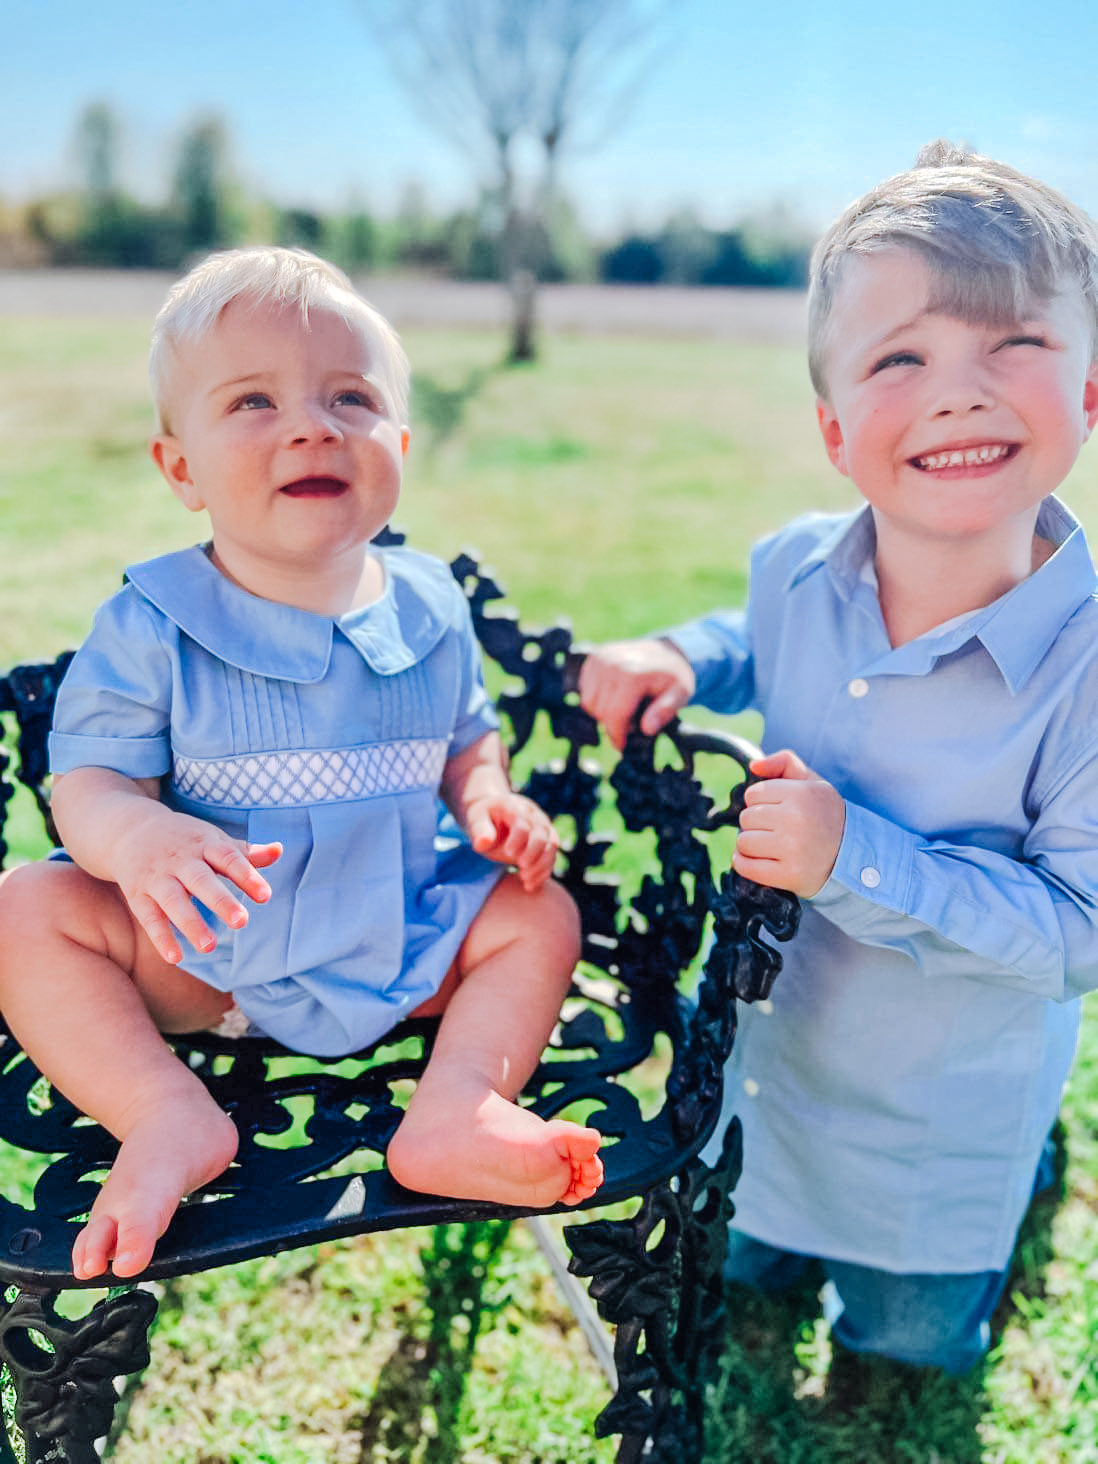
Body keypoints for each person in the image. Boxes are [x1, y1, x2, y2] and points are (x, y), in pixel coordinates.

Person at [579, 141, 1098, 1374]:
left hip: (939, 1111)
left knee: (907, 1344)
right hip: (771, 1058)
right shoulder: (797, 564)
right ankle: (783, 1221)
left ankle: (1026, 1169)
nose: (959, 392)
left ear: (1087, 392)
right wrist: (681, 657)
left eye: (1014, 343)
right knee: (747, 1252)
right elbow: (749, 634)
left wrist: (853, 858)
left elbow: (1079, 931)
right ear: (833, 428)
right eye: (900, 357)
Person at [0, 246, 602, 1282]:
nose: (313, 425)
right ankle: (166, 1114)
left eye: (352, 398)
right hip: (209, 961)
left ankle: (456, 1105)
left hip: (402, 932)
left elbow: (466, 736)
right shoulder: (151, 625)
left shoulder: (431, 606)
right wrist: (139, 836)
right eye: (252, 402)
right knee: (27, 907)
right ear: (180, 468)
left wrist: (487, 794)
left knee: (538, 914)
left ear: (401, 443)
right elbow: (89, 784)